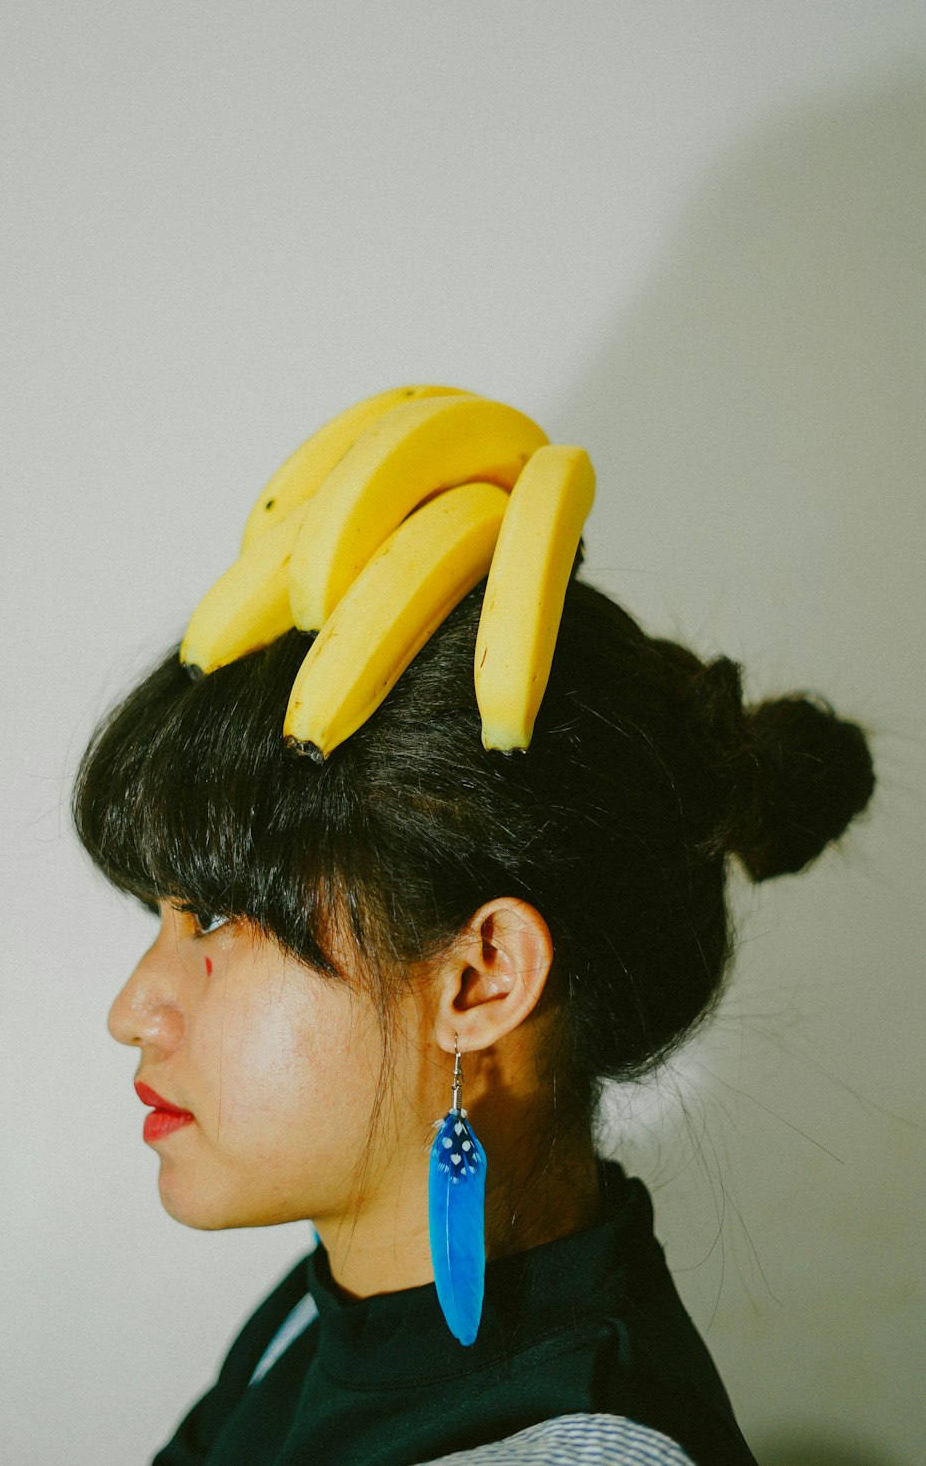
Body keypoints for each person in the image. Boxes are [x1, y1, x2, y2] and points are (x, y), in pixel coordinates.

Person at [71, 399, 874, 1466]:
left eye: (216, 918)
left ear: (481, 978)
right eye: (160, 915)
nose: (133, 1009)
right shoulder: (326, 1312)